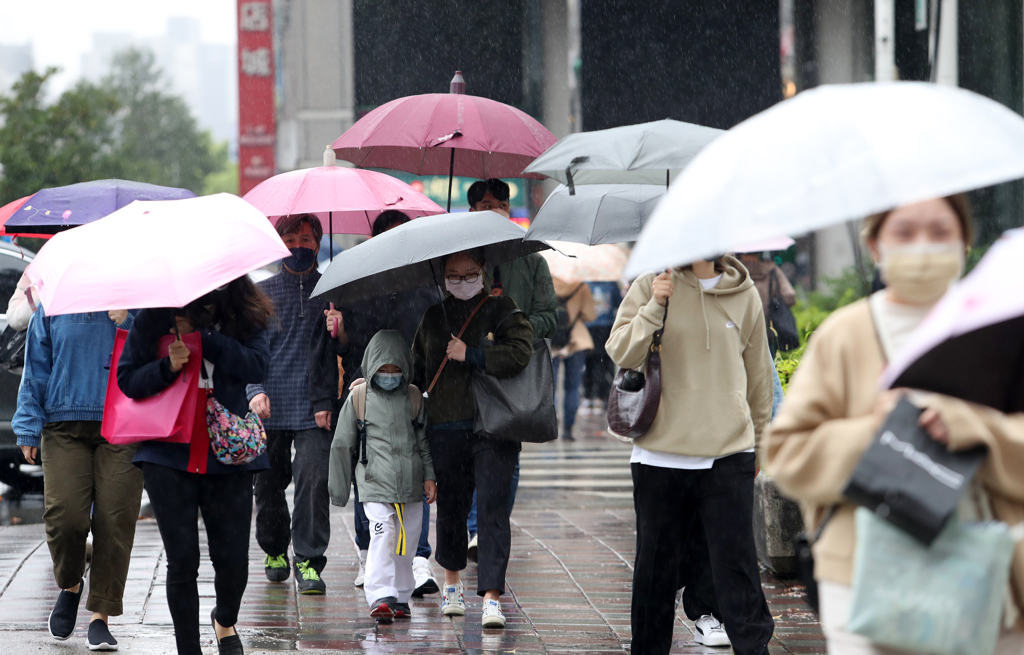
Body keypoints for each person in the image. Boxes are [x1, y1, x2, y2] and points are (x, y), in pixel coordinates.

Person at [765, 196, 1024, 654]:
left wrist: (975, 428)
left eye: (940, 232)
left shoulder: (1004, 328)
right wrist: (873, 430)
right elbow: (786, 454)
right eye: (904, 233)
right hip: (867, 579)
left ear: (966, 242)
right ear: (875, 245)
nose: (923, 247)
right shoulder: (844, 335)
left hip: (993, 577)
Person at [606, 255, 775, 655]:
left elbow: (759, 379)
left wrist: (761, 445)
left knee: (737, 568)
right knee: (655, 575)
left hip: (728, 452)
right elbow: (622, 353)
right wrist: (654, 307)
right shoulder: (652, 283)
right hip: (659, 457)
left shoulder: (745, 293)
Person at [117, 278, 273, 655]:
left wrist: (206, 337)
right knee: (182, 559)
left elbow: (258, 365)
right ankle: (188, 648)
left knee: (233, 560)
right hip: (167, 453)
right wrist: (167, 367)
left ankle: (224, 619)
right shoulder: (156, 314)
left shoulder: (242, 311)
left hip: (228, 455)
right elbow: (127, 379)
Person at [308, 210, 441, 597]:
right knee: (367, 468)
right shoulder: (356, 282)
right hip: (364, 389)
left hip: (411, 389)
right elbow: (345, 344)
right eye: (389, 235)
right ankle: (369, 551)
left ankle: (417, 558)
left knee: (413, 469)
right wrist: (341, 331)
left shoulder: (425, 282)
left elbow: (431, 337)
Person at [411, 249, 533, 628]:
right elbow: (419, 368)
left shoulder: (503, 309)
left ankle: (492, 597)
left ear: (483, 272)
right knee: (451, 508)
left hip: (494, 426)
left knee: (494, 511)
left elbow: (522, 352)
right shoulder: (434, 316)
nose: (461, 281)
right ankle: (451, 583)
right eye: (453, 275)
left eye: (469, 274)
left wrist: (474, 355)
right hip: (446, 426)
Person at [14, 308, 140, 651]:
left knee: (115, 519)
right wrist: (28, 423)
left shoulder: (136, 297)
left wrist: (128, 321)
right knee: (64, 518)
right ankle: (70, 584)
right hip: (63, 425)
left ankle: (101, 615)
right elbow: (35, 365)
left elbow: (159, 351)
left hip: (124, 425)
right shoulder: (55, 300)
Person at [465, 178, 557, 560]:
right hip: (469, 369)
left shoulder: (532, 260)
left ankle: (490, 523)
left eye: (499, 205)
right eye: (484, 205)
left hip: (514, 370)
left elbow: (550, 317)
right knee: (471, 450)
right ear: (471, 212)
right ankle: (476, 527)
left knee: (506, 448)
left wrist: (513, 331)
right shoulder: (460, 258)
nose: (493, 211)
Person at [247, 213, 333, 594]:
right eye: (289, 237)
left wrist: (339, 326)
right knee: (267, 484)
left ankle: (310, 560)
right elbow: (251, 349)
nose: (298, 245)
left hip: (317, 405)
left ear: (318, 242)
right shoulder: (261, 293)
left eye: (305, 238)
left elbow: (340, 350)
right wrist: (254, 391)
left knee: (313, 482)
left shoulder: (332, 290)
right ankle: (274, 549)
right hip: (270, 405)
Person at [327, 330, 436, 623]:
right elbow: (342, 444)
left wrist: (429, 477)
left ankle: (401, 596)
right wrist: (339, 490)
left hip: (411, 483)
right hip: (374, 481)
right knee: (383, 532)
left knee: (408, 538)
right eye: (383, 370)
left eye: (395, 370)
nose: (389, 375)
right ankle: (380, 594)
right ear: (371, 366)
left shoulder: (413, 397)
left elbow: (423, 442)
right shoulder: (359, 397)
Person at [550, 276, 596, 440]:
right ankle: (568, 430)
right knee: (572, 388)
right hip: (577, 339)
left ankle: (552, 425)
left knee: (550, 387)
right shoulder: (581, 285)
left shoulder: (545, 282)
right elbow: (590, 315)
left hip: (552, 338)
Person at [580, 279, 623, 415]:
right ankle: (598, 397)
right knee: (601, 363)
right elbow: (618, 303)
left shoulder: (585, 284)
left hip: (589, 327)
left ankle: (589, 396)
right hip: (604, 327)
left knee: (589, 363)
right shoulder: (610, 283)